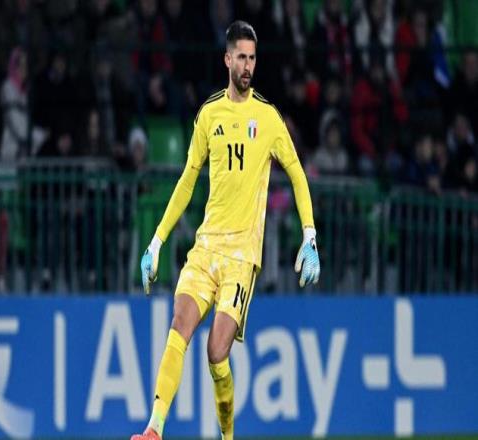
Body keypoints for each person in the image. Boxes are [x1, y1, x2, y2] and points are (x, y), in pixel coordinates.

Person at [130, 20, 320, 440]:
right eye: (241, 58)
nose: (248, 66)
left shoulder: (268, 118)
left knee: (217, 352)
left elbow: (297, 173)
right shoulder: (209, 114)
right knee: (179, 323)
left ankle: (227, 435)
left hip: (241, 257)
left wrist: (310, 235)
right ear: (227, 60)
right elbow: (187, 181)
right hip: (206, 247)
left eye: (253, 58)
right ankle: (154, 428)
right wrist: (156, 242)